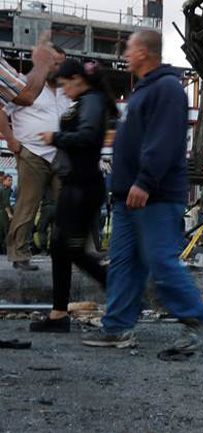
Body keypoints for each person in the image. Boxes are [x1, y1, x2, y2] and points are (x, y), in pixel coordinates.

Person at [82, 30, 203, 352]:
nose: (125, 54)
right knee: (125, 263)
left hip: (153, 195)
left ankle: (198, 319)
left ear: (143, 52)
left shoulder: (167, 88)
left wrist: (145, 181)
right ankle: (117, 328)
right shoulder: (143, 90)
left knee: (161, 260)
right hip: (129, 195)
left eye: (129, 49)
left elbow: (165, 140)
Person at [27, 59, 114, 333]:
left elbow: (88, 137)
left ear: (77, 79)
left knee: (70, 248)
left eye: (65, 84)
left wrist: (56, 138)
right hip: (76, 184)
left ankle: (114, 285)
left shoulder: (91, 101)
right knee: (59, 248)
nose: (63, 91)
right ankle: (58, 314)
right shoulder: (88, 101)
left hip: (82, 186)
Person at [0, 42, 63, 271]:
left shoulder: (66, 91)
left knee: (67, 204)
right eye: (54, 63)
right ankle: (19, 254)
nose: (58, 67)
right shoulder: (25, 84)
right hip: (32, 152)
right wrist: (10, 140)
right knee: (28, 204)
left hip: (59, 154)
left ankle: (66, 251)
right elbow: (1, 109)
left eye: (60, 64)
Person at [0, 175, 12, 254]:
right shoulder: (6, 190)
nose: (11, 182)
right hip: (4, 212)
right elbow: (6, 203)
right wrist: (9, 214)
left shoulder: (2, 189)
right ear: (4, 181)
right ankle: (6, 249)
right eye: (9, 180)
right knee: (7, 230)